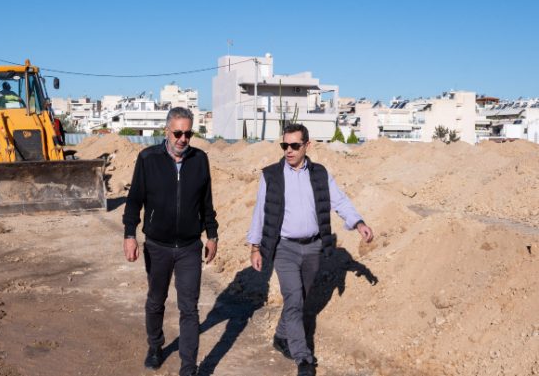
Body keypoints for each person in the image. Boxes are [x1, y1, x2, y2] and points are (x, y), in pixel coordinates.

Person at [246, 123, 374, 376]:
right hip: (284, 248)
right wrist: (255, 247)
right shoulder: (271, 175)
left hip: (313, 247)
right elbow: (260, 212)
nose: (289, 150)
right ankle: (303, 358)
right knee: (294, 298)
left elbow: (339, 200)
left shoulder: (319, 174)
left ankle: (281, 336)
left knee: (299, 298)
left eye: (295, 145)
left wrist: (358, 223)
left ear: (307, 145)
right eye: (285, 145)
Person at [123, 107, 219, 376]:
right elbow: (134, 201)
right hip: (157, 246)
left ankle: (188, 367)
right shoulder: (148, 159)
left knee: (189, 308)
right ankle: (155, 346)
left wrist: (212, 235)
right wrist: (130, 235)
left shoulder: (200, 160)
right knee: (156, 301)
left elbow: (206, 202)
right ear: (167, 131)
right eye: (178, 133)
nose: (183, 139)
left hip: (189, 247)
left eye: (188, 133)